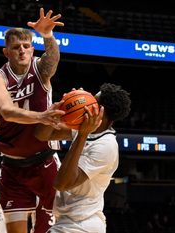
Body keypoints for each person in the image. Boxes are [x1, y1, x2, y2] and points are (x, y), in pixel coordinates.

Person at [0, 8, 65, 233]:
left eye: (26, 46)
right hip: (12, 166)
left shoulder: (41, 69)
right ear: (6, 52)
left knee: (49, 229)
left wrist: (48, 36)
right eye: (16, 47)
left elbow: (53, 59)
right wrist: (42, 116)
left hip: (45, 162)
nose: (22, 50)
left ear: (32, 49)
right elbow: (7, 111)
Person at [35, 83, 131, 233]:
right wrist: (61, 110)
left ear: (101, 111)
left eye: (94, 101)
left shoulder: (106, 145)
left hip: (81, 224)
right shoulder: (87, 130)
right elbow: (42, 135)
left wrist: (82, 134)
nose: (89, 101)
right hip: (71, 221)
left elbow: (62, 183)